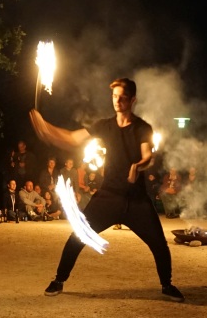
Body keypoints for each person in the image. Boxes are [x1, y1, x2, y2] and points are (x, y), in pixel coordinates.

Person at [29, 77, 183, 302]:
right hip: (109, 196)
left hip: (136, 200)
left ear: (133, 100)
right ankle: (59, 280)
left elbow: (147, 156)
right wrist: (46, 128)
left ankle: (167, 285)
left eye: (122, 98)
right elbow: (71, 138)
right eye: (114, 97)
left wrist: (137, 166)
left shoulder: (142, 128)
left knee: (159, 243)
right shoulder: (103, 126)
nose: (117, 101)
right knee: (78, 235)